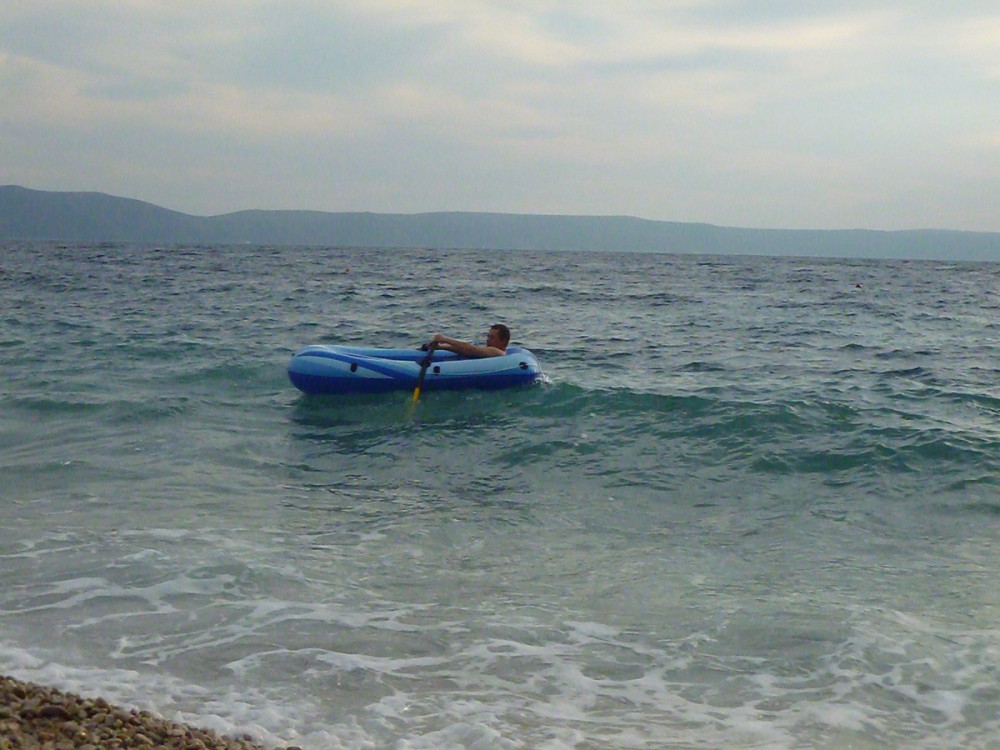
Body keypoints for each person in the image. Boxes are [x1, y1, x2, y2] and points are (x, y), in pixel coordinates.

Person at [431, 324, 510, 358]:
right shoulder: (490, 352)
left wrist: (444, 340)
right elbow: (466, 351)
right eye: (488, 336)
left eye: (492, 337)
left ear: (503, 341)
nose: (488, 340)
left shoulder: (497, 352)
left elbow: (471, 349)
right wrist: (442, 347)